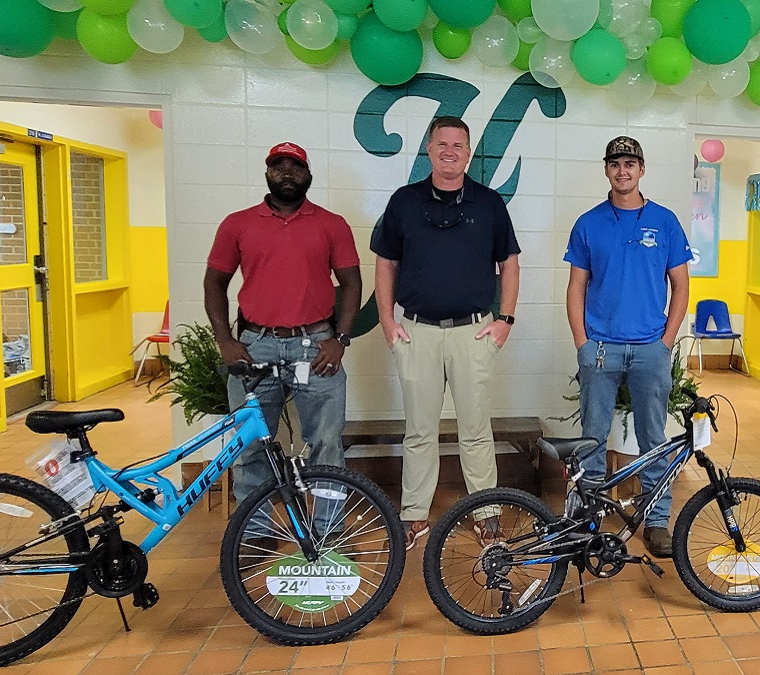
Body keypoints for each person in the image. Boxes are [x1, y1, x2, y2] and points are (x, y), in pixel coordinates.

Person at [371, 116, 521, 550]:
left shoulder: (489, 203)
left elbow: (509, 262)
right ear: (429, 148)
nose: (450, 151)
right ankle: (415, 514)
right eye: (443, 144)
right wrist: (387, 320)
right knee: (419, 431)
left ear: (469, 153)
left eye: (459, 145)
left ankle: (486, 513)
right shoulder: (404, 201)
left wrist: (504, 320)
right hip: (417, 332)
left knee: (475, 429)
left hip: (473, 333)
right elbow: (386, 263)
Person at [203, 141, 361, 540]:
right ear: (267, 173)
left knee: (326, 443)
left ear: (308, 174)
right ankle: (255, 534)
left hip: (316, 346)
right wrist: (225, 340)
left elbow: (352, 283)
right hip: (256, 346)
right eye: (279, 166)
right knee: (251, 443)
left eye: (295, 166)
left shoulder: (332, 223)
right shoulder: (237, 224)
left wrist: (339, 339)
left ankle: (327, 532)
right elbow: (214, 282)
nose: (287, 173)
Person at [564, 136, 692, 558]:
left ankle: (656, 521)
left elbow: (680, 285)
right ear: (606, 170)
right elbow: (576, 287)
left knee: (653, 437)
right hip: (600, 348)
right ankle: (590, 519)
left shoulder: (665, 221)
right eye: (616, 163)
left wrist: (665, 342)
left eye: (630, 164)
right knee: (592, 439)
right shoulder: (589, 223)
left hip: (649, 350)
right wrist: (583, 343)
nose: (623, 171)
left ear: (641, 170)